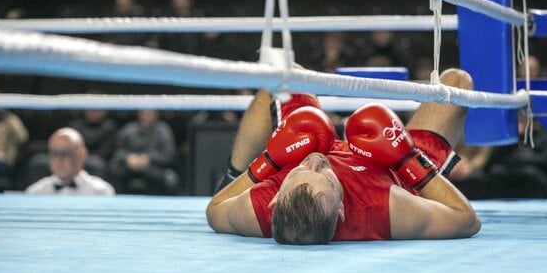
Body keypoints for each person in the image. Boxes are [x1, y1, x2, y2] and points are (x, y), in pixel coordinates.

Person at [206, 68, 481, 244]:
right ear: (340, 210)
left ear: (276, 198)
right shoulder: (386, 208)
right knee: (457, 83)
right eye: (324, 176)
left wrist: (269, 161)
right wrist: (407, 157)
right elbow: (467, 219)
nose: (314, 161)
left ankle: (231, 176)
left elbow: (215, 210)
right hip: (393, 168)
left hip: (308, 142)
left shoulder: (262, 208)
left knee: (284, 80)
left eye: (301, 171)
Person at [25, 127, 115, 195]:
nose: (59, 160)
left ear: (82, 155)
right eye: (54, 153)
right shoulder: (35, 193)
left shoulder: (101, 192)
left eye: (67, 153)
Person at [109, 109, 179, 195]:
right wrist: (128, 158)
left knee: (170, 177)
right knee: (113, 169)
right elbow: (118, 151)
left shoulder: (163, 130)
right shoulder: (128, 130)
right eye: (145, 113)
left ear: (156, 114)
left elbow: (168, 155)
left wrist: (148, 158)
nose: (147, 116)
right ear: (139, 114)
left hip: (154, 168)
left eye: (150, 113)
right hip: (129, 167)